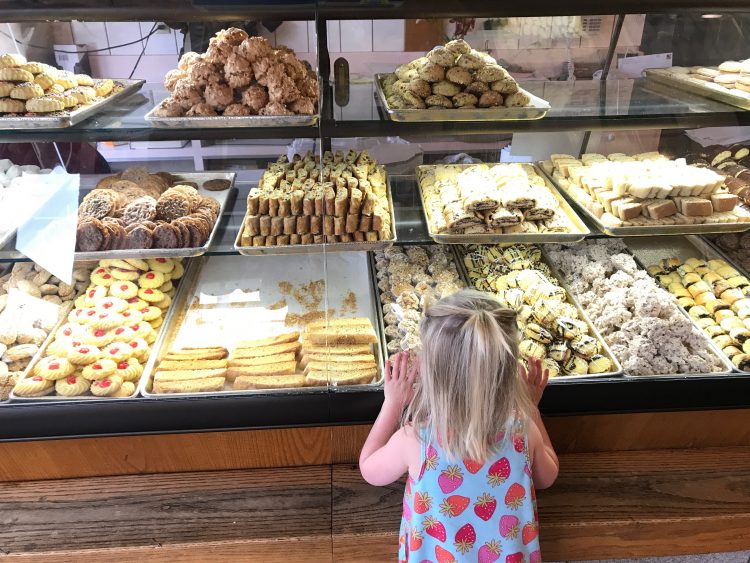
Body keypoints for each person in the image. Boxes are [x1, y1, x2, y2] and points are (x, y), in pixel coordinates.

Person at [359, 289, 559, 562]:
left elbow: (370, 469)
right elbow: (547, 478)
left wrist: (393, 403)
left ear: (432, 371)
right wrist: (531, 409)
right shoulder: (522, 431)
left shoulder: (417, 439)